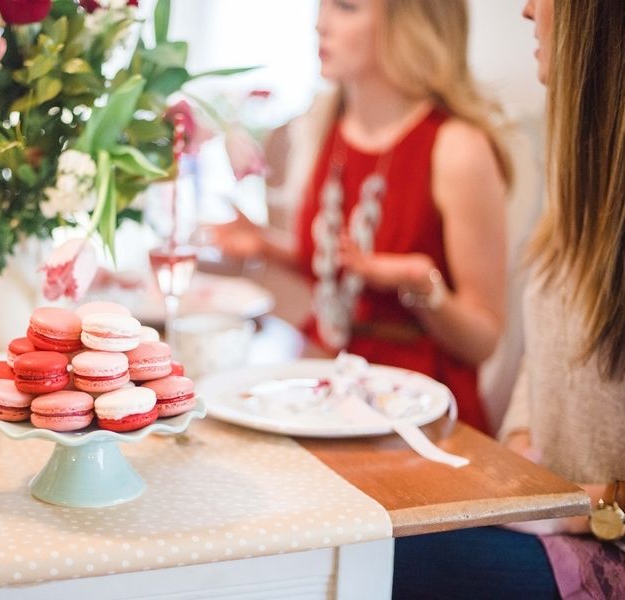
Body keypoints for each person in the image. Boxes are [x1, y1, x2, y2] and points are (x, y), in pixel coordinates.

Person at [393, 1, 625, 597]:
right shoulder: (582, 180)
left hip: (603, 545)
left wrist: (597, 506)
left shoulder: (456, 146)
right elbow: (543, 361)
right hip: (560, 516)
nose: (527, 9)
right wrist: (521, 448)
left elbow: (482, 330)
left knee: (381, 551)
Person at [212, 0, 510, 432]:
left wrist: (421, 284)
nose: (319, 23)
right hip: (325, 386)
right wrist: (265, 244)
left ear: (409, 25)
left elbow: (483, 339)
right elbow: (348, 272)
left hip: (417, 411)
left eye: (346, 7)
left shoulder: (457, 147)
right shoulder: (326, 123)